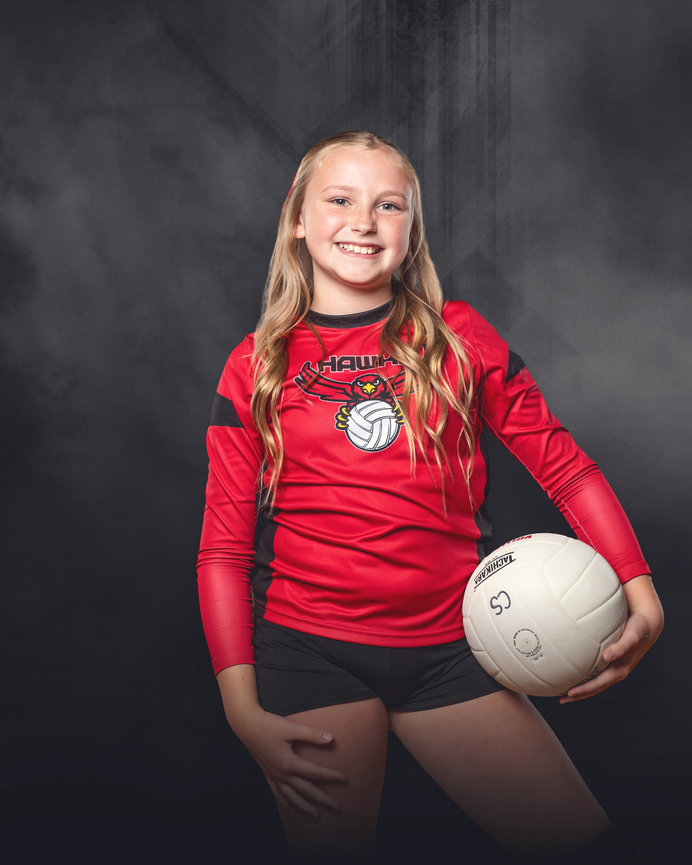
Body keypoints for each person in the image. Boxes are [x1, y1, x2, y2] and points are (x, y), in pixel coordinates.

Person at [196, 131, 663, 863]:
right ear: (297, 216)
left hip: (455, 647)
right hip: (311, 654)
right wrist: (240, 708)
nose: (364, 220)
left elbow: (566, 469)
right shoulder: (256, 364)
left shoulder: (460, 337)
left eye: (389, 205)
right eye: (340, 199)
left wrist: (641, 589)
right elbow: (223, 550)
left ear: (412, 229)